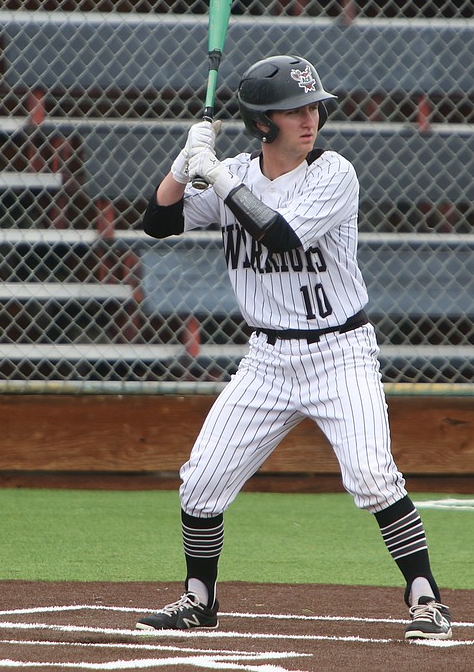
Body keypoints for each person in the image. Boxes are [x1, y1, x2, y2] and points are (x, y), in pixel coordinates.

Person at [135, 54, 453, 640]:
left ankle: (425, 596)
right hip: (267, 359)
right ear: (263, 122)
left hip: (341, 352)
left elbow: (277, 237)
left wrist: (219, 175)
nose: (310, 119)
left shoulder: (334, 173)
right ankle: (199, 598)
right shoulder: (233, 170)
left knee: (372, 477)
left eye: (313, 107)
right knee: (201, 482)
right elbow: (158, 222)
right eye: (293, 111)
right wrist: (183, 166)